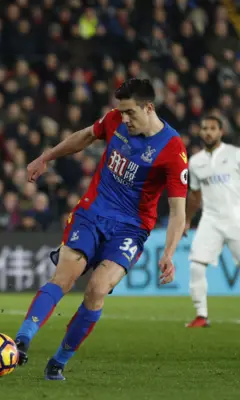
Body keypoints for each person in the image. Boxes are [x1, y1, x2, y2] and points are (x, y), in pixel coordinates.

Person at [14, 79, 188, 381]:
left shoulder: (172, 150)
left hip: (131, 229)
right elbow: (84, 137)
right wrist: (47, 157)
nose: (123, 119)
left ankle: (58, 361)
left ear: (149, 108)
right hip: (92, 212)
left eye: (130, 112)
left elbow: (177, 211)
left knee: (96, 290)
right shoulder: (115, 120)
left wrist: (169, 253)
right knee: (65, 276)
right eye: (121, 112)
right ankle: (22, 339)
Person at [184, 115, 240, 328]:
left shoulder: (235, 155)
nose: (208, 132)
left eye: (212, 128)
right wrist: (187, 220)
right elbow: (195, 195)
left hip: (236, 218)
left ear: (220, 132)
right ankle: (201, 315)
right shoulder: (195, 162)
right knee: (197, 265)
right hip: (211, 220)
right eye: (205, 128)